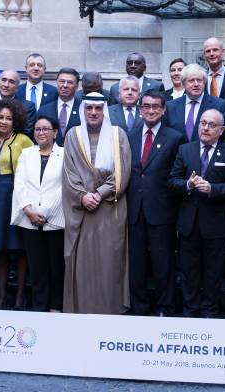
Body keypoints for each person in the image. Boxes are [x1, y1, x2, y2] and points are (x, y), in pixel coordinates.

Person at [62, 92, 132, 314]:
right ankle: (82, 309)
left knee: (110, 262)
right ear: (83, 110)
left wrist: (99, 194)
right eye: (89, 108)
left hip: (110, 208)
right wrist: (83, 196)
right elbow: (68, 172)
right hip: (82, 210)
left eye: (98, 108)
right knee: (83, 265)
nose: (93, 112)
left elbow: (123, 170)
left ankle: (110, 310)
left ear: (105, 111)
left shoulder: (117, 134)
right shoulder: (73, 135)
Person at [169, 109, 225, 318]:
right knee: (189, 273)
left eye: (211, 125)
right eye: (203, 123)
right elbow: (172, 181)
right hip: (188, 224)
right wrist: (188, 184)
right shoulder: (185, 150)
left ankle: (210, 312)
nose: (206, 128)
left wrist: (213, 189)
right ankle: (190, 312)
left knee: (213, 273)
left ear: (221, 130)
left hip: (216, 225)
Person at [127, 90, 186, 316]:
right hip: (134, 209)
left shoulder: (175, 137)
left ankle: (165, 308)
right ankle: (139, 308)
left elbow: (177, 175)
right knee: (137, 265)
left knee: (163, 264)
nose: (151, 110)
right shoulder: (129, 136)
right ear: (140, 109)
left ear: (163, 110)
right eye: (146, 106)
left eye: (156, 107)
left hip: (162, 211)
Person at [0, 99, 34, 309]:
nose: (4, 121)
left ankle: (20, 296)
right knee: (0, 248)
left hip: (15, 194)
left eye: (8, 118)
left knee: (18, 247)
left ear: (16, 121)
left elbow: (32, 169)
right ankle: (2, 297)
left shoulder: (23, 140)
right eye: (0, 117)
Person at [11, 115, 65, 312]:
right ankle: (40, 307)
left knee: (56, 265)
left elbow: (64, 186)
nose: (41, 132)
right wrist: (28, 210)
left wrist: (44, 211)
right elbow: (19, 184)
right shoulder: (26, 154)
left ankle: (56, 306)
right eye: (37, 129)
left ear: (55, 132)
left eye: (45, 129)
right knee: (37, 266)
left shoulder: (65, 154)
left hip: (55, 219)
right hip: (29, 219)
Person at [165, 63, 225, 141]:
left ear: (204, 83)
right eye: (191, 80)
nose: (196, 84)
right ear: (184, 83)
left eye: (199, 80)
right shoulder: (170, 106)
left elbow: (224, 137)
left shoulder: (219, 105)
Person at [0, 69, 36, 137]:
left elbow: (26, 134)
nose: (6, 85)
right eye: (4, 80)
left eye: (11, 82)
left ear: (17, 87)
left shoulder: (27, 107)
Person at [36, 67, 81, 146]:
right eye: (62, 81)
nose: (65, 85)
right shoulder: (44, 110)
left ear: (77, 86)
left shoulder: (83, 109)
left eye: (70, 82)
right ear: (57, 83)